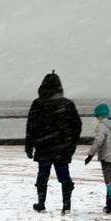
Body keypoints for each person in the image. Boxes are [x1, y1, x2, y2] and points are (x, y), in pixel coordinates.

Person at [24, 70, 83, 213]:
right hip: (62, 149)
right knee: (64, 177)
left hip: (43, 148)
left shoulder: (37, 104)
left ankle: (41, 203)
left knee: (42, 177)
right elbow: (77, 125)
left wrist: (29, 146)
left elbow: (31, 126)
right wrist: (71, 145)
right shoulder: (67, 104)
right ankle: (66, 206)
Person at [83, 102, 111, 213]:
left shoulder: (102, 126)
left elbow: (98, 142)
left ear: (101, 115)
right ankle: (109, 204)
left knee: (108, 181)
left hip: (106, 158)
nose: (98, 119)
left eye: (98, 117)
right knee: (109, 179)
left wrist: (90, 155)